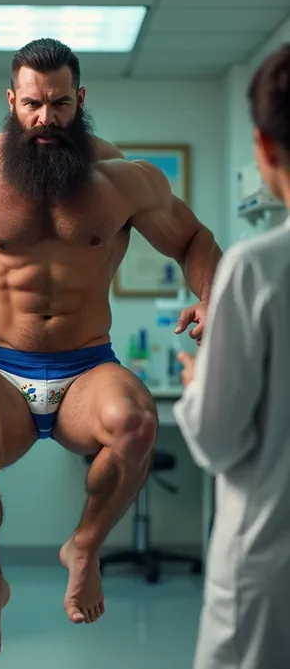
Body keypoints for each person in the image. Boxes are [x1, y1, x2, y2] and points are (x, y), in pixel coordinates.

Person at [0, 39, 222, 666]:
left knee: (137, 425)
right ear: (11, 100)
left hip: (88, 367)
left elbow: (193, 238)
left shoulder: (122, 180)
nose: (45, 118)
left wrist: (209, 295)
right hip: (1, 367)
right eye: (32, 104)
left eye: (58, 103)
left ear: (79, 100)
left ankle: (84, 546)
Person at [174, 43, 290, 669]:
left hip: (270, 561)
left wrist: (198, 376)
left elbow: (217, 441)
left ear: (264, 148)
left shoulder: (259, 265)